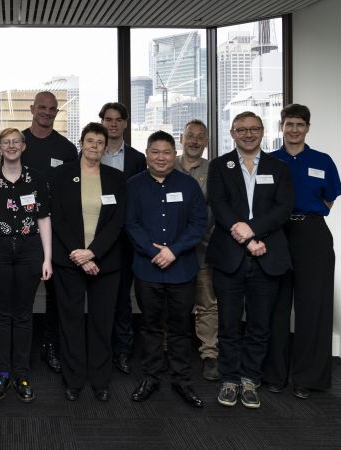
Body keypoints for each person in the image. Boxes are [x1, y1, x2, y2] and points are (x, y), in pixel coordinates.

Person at [207, 111, 294, 409]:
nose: (248, 134)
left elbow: (284, 208)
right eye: (241, 129)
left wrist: (254, 231)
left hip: (267, 256)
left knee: (259, 324)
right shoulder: (220, 166)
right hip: (229, 256)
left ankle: (250, 379)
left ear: (262, 131)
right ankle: (230, 379)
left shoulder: (278, 167)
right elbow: (218, 204)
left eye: (254, 128)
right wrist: (246, 238)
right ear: (232, 133)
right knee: (229, 324)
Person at [263, 104, 341, 399]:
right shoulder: (270, 161)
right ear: (281, 127)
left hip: (312, 235)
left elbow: (328, 200)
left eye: (299, 124)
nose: (294, 129)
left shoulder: (322, 161)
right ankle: (274, 374)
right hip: (276, 235)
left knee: (313, 308)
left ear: (308, 128)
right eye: (289, 124)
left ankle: (306, 378)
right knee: (276, 306)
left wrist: (305, 216)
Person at [125, 131, 207, 408]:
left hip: (182, 268)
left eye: (167, 152)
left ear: (175, 154)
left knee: (180, 328)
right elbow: (130, 224)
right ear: (147, 154)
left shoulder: (189, 186)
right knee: (149, 326)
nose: (161, 158)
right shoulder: (133, 185)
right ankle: (150, 376)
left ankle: (182, 380)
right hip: (147, 269)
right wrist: (153, 250)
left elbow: (199, 224)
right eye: (155, 152)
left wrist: (173, 250)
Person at [0, 127, 52, 403]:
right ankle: (2, 373)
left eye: (15, 141)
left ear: (23, 145)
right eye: (5, 142)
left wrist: (47, 257)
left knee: (23, 314)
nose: (11, 146)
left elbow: (44, 219)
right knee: (1, 314)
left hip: (30, 250)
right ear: (0, 148)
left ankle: (22, 373)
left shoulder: (37, 179)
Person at [50, 122, 126, 402]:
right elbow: (57, 217)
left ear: (106, 148)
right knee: (70, 322)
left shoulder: (116, 178)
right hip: (69, 261)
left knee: (101, 323)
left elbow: (117, 222)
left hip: (105, 261)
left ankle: (100, 380)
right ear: (81, 142)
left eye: (100, 143)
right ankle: (73, 380)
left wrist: (92, 253)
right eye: (90, 141)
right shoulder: (62, 174)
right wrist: (79, 255)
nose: (94, 146)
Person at [20, 91, 78, 374]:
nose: (46, 112)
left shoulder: (66, 149)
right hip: (20, 231)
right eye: (41, 107)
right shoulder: (17, 142)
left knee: (56, 295)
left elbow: (69, 194)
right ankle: (22, 350)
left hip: (54, 233)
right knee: (23, 295)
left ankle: (51, 345)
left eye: (52, 109)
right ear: (32, 109)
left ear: (57, 112)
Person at [99, 101, 146, 376]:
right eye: (108, 119)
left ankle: (123, 350)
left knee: (121, 299)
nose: (113, 124)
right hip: (95, 238)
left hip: (125, 239)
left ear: (125, 124)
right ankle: (99, 349)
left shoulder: (138, 159)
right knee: (98, 298)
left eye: (118, 120)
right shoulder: (91, 153)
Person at [175, 119, 220, 382]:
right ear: (181, 138)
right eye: (189, 135)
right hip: (170, 252)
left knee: (207, 304)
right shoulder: (167, 166)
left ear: (207, 142)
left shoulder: (213, 171)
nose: (194, 140)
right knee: (171, 301)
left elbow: (218, 210)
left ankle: (209, 354)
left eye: (200, 137)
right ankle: (168, 349)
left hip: (202, 249)